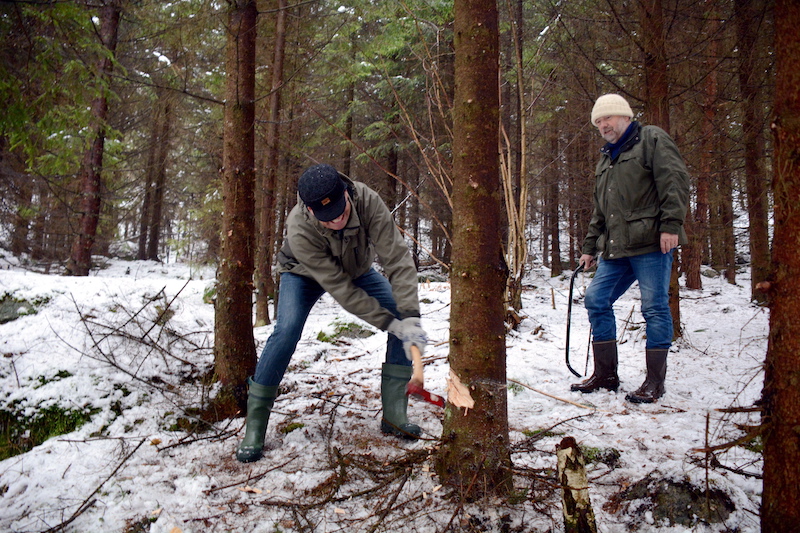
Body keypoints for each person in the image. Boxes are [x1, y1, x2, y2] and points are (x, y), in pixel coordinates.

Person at [237, 163, 428, 463]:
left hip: (356, 268)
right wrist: (389, 323)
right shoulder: (298, 226)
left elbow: (398, 260)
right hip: (303, 273)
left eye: (341, 212)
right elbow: (343, 292)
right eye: (328, 219)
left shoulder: (367, 201)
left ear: (347, 193)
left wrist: (409, 318)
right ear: (310, 211)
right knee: (286, 331)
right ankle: (255, 426)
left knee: (402, 315)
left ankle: (394, 415)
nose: (337, 221)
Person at [571, 94, 690, 404]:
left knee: (654, 307)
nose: (603, 126)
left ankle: (654, 383)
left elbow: (674, 180)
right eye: (598, 122)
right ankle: (606, 375)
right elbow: (601, 211)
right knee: (596, 299)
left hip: (652, 243)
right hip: (617, 248)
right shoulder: (605, 158)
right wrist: (588, 248)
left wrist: (671, 225)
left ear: (624, 116)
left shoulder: (650, 139)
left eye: (607, 118)